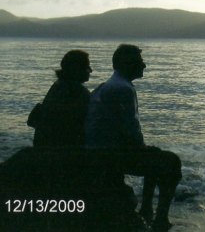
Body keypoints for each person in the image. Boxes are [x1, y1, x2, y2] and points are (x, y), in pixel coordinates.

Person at [85, 44, 182, 231]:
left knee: (155, 155)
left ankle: (147, 209)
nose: (144, 66)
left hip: (100, 150)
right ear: (127, 64)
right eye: (140, 62)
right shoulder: (123, 89)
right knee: (171, 161)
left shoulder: (109, 85)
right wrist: (143, 149)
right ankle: (160, 217)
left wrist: (144, 149)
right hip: (110, 155)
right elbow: (130, 132)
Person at [32, 50, 92, 148]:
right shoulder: (77, 91)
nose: (90, 70)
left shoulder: (58, 86)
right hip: (63, 150)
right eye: (87, 67)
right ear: (76, 69)